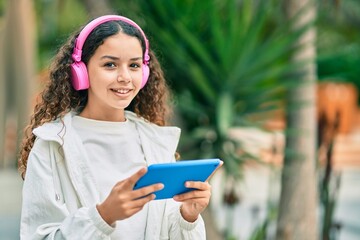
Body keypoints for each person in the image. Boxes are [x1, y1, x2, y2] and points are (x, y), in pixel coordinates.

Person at [18, 15, 222, 240]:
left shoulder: (155, 141)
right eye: (110, 65)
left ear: (144, 74)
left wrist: (187, 217)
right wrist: (103, 216)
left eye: (134, 65)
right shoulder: (52, 145)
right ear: (81, 72)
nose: (125, 77)